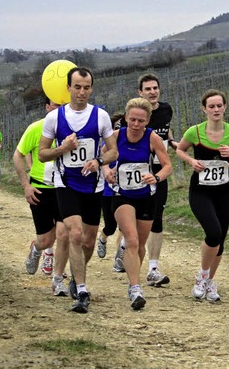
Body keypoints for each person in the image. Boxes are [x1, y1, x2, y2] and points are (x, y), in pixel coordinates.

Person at [38, 67, 118, 313]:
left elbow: (113, 151)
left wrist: (99, 161)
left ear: (91, 88)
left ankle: (76, 276)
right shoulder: (54, 118)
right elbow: (42, 154)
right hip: (66, 183)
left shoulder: (101, 116)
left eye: (86, 87)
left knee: (89, 240)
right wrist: (62, 149)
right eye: (77, 87)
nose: (82, 92)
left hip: (93, 185)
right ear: (68, 88)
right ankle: (82, 289)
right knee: (74, 234)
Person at [176, 89, 229, 302]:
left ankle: (209, 282)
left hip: (223, 191)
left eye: (219, 106)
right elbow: (180, 150)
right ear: (204, 109)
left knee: (221, 239)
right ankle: (202, 276)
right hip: (200, 190)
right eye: (211, 106)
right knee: (213, 232)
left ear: (225, 107)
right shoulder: (195, 132)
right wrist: (191, 161)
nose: (216, 109)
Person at [103, 98, 172, 309]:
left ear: (147, 121)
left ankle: (134, 279)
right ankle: (135, 288)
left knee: (140, 245)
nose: (135, 124)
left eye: (140, 121)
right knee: (131, 241)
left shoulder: (153, 138)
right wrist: (107, 172)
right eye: (132, 119)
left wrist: (157, 177)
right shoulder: (115, 136)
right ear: (125, 118)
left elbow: (167, 166)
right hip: (122, 195)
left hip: (146, 196)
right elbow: (102, 160)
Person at [110, 74, 177, 286]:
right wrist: (107, 168)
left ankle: (153, 268)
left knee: (157, 218)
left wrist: (172, 141)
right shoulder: (130, 118)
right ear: (140, 92)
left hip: (155, 175)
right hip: (130, 177)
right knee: (131, 229)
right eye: (147, 89)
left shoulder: (166, 110)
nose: (152, 92)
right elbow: (111, 147)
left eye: (155, 88)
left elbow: (166, 131)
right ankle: (124, 249)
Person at [14, 96, 70, 296]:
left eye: (63, 106)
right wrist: (26, 185)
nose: (59, 109)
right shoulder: (36, 128)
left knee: (64, 234)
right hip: (40, 189)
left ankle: (58, 279)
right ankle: (37, 249)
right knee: (47, 239)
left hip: (64, 188)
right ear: (47, 107)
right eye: (55, 105)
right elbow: (18, 155)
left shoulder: (73, 129)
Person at [96, 113, 125, 269]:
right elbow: (100, 161)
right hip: (107, 191)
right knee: (111, 227)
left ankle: (120, 256)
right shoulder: (106, 146)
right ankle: (103, 237)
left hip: (125, 191)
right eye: (117, 127)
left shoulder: (130, 142)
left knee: (124, 226)